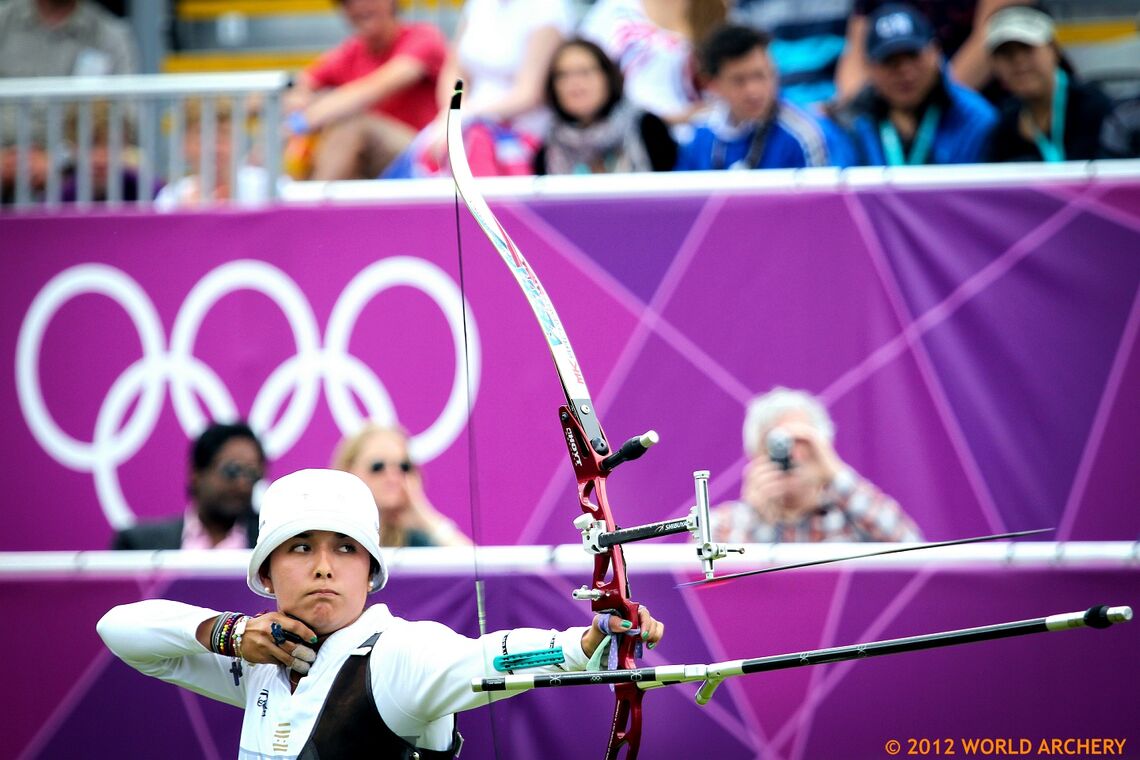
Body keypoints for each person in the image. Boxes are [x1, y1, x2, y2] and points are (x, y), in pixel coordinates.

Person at [98, 468, 664, 756]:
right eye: (301, 548)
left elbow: (488, 657)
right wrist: (229, 633)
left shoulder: (398, 656)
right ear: (266, 574)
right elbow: (119, 630)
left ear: (371, 572)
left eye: (346, 549)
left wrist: (583, 645)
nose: (324, 567)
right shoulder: (259, 660)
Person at [386, 0, 573, 178]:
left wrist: (466, 115)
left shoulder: (546, 9)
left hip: (519, 131)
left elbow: (529, 94)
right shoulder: (478, 4)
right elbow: (454, 71)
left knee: (470, 145)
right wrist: (453, 113)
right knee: (425, 153)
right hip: (463, 119)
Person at [709, 387, 923, 543]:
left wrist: (835, 473)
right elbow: (710, 583)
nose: (789, 454)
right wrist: (754, 514)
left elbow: (912, 548)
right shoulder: (721, 525)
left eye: (801, 441)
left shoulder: (852, 521)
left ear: (823, 449)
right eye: (775, 443)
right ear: (755, 454)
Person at [282, 0, 447, 180]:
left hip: (423, 158)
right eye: (349, 2)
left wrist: (305, 119)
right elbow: (297, 86)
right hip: (378, 166)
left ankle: (312, 196)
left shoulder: (423, 36)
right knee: (316, 133)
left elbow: (378, 86)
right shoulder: (350, 52)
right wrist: (300, 100)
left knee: (352, 123)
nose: (360, 5)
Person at [1, 0, 139, 201]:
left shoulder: (109, 35)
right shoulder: (4, 22)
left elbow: (125, 118)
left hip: (75, 173)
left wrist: (60, 161)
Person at [835, 3, 997, 166]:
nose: (905, 72)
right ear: (871, 69)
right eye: (890, 62)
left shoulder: (973, 118)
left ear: (935, 53)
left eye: (913, 57)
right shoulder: (851, 123)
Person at [675, 24, 851, 171]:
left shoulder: (806, 134)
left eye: (760, 75)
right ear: (713, 84)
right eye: (738, 80)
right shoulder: (701, 135)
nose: (753, 90)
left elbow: (826, 200)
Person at [985, 5, 1113, 163]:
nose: (1018, 60)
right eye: (1006, 53)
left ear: (1054, 49)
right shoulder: (1003, 124)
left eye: (1027, 48)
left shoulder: (1095, 108)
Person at [111, 422, 265, 550]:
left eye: (252, 474)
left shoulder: (268, 544)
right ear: (196, 473)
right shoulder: (138, 544)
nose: (243, 484)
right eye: (232, 470)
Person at [535, 38, 677, 175]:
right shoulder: (547, 151)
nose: (574, 82)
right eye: (563, 75)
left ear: (607, 76)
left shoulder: (649, 129)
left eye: (584, 72)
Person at [834, 0, 1025, 102]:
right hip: (894, 113)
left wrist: (930, 107)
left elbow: (987, 39)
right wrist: (852, 112)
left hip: (978, 102)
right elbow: (856, 52)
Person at [580, 0, 729, 129]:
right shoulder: (613, 12)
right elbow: (581, 69)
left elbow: (728, 82)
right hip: (631, 135)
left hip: (701, 136)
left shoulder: (713, 8)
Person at [332, 423, 471, 547]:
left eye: (404, 467)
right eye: (378, 466)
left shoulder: (415, 541)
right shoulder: (328, 532)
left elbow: (472, 564)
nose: (393, 477)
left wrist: (425, 518)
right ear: (348, 471)